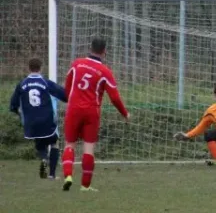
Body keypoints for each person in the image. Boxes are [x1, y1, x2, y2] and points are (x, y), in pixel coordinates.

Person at [61, 38, 130, 192]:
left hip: (74, 109)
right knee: (88, 148)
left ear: (90, 47)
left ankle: (68, 176)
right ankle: (85, 186)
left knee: (69, 144)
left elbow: (67, 86)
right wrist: (125, 113)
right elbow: (115, 98)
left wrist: (69, 100)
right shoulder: (105, 71)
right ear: (104, 51)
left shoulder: (76, 64)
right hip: (92, 112)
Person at [9, 58, 67, 180]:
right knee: (54, 143)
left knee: (40, 145)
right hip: (47, 120)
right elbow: (64, 95)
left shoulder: (21, 84)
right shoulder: (46, 83)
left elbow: (13, 105)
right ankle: (51, 174)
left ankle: (43, 160)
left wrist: (20, 115)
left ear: (28, 68)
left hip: (31, 122)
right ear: (41, 68)